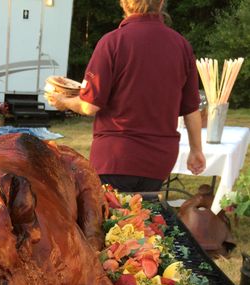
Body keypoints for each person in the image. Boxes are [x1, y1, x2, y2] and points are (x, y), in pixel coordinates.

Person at [46, 0, 206, 194]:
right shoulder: (181, 45)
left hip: (116, 157)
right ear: (162, 3)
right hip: (160, 160)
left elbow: (89, 106)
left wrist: (63, 102)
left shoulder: (112, 42)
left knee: (114, 220)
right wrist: (196, 151)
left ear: (124, 4)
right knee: (145, 217)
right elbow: (191, 109)